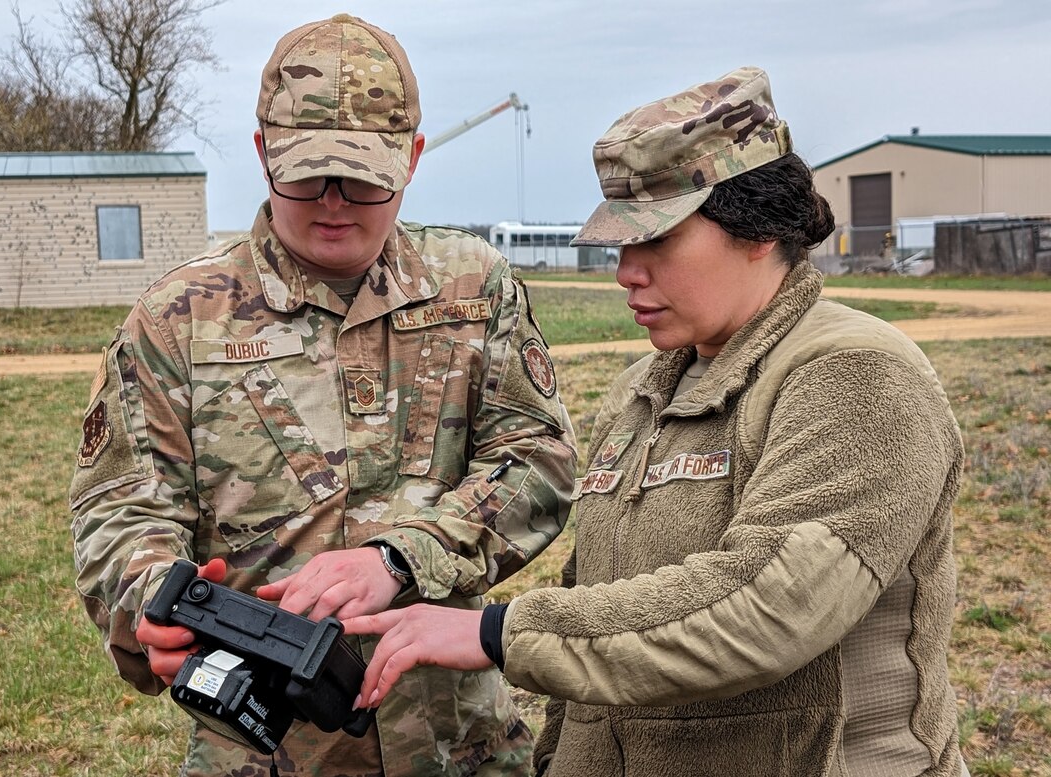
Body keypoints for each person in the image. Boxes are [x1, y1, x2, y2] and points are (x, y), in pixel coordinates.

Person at [343, 66, 970, 776]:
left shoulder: (857, 375)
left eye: (656, 241)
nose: (625, 272)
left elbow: (768, 609)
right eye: (619, 245)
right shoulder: (645, 388)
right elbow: (598, 612)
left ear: (758, 228)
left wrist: (502, 632)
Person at [69, 13, 576, 777]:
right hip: (262, 748)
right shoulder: (180, 317)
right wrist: (149, 599)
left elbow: (537, 458)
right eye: (306, 173)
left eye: (364, 177)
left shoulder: (476, 289)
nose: (334, 200)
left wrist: (404, 556)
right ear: (262, 151)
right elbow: (122, 506)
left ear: (411, 159)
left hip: (455, 746)